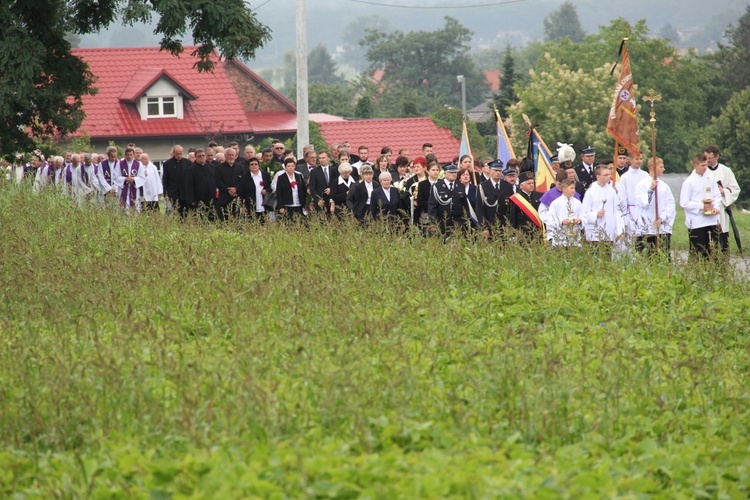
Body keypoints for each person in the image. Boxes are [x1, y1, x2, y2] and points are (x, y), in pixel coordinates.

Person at [680, 153, 721, 260]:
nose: (705, 168)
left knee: (713, 251)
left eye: (706, 165)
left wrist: (716, 207)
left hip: (711, 220)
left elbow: (716, 195)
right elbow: (684, 202)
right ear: (695, 165)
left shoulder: (710, 179)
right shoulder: (689, 182)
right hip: (697, 221)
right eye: (702, 166)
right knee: (699, 251)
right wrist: (702, 206)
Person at [634, 157, 675, 256]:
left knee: (663, 256)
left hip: (661, 227)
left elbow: (670, 204)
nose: (663, 169)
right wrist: (651, 189)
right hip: (647, 229)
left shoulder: (664, 186)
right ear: (653, 167)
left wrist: (661, 219)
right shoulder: (641, 185)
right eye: (661, 167)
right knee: (649, 255)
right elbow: (644, 203)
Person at [704, 145, 741, 255]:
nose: (707, 161)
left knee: (721, 238)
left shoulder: (726, 171)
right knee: (707, 238)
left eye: (710, 158)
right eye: (706, 157)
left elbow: (735, 189)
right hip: (707, 207)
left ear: (717, 157)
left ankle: (722, 263)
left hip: (721, 208)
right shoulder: (703, 170)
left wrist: (723, 191)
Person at [580, 164, 625, 254]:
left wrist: (620, 230)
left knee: (607, 257)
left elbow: (617, 211)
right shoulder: (590, 192)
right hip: (594, 232)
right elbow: (584, 214)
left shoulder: (612, 191)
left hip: (608, 230)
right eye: (605, 175)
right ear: (598, 176)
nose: (608, 177)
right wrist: (595, 214)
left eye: (609, 174)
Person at [428, 163, 471, 238]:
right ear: (445, 173)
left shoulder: (460, 186)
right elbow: (432, 206)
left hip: (458, 222)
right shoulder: (437, 186)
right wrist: (433, 223)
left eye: (455, 172)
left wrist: (466, 221)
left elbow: (465, 206)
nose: (454, 174)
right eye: (451, 172)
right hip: (442, 222)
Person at [546, 178, 583, 247]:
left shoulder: (577, 203)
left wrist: (579, 220)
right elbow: (550, 220)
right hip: (560, 239)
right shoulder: (556, 203)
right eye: (571, 188)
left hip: (575, 239)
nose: (574, 190)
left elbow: (583, 215)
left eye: (574, 188)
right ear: (564, 189)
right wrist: (561, 222)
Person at [507, 170, 543, 237]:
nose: (531, 185)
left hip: (538, 231)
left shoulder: (540, 196)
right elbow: (512, 218)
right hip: (523, 233)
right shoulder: (516, 199)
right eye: (528, 184)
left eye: (532, 183)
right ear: (521, 185)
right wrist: (513, 234)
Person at [184, 149, 217, 220]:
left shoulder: (212, 167)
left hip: (211, 198)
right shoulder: (191, 170)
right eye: (199, 156)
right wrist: (191, 200)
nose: (202, 157)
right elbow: (189, 186)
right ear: (195, 157)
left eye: (203, 155)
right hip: (198, 199)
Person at [475, 160, 505, 239]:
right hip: (489, 225)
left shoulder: (507, 186)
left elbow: (511, 208)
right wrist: (483, 227)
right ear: (490, 171)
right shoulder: (482, 187)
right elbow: (479, 208)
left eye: (500, 170)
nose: (498, 172)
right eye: (495, 170)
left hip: (504, 226)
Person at [237, 156, 271, 222]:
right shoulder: (245, 177)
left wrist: (266, 190)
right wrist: (242, 205)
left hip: (264, 204)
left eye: (256, 164)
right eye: (251, 164)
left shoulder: (266, 175)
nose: (254, 166)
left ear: (259, 165)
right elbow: (241, 191)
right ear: (249, 166)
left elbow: (270, 187)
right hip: (251, 205)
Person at [215, 146, 243, 221]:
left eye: (232, 155)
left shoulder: (240, 167)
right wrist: (228, 189)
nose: (231, 157)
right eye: (229, 155)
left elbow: (243, 181)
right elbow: (217, 181)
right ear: (225, 156)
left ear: (235, 156)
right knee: (224, 219)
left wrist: (236, 189)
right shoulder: (218, 168)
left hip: (237, 197)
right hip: (224, 198)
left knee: (237, 219)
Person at [162, 145, 191, 217]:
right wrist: (165, 192)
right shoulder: (167, 164)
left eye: (180, 153)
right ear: (173, 153)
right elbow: (165, 179)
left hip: (185, 192)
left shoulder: (188, 163)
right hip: (173, 192)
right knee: (176, 211)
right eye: (177, 154)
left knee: (185, 212)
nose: (179, 155)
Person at [415, 160, 441, 228]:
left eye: (437, 170)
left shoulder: (442, 183)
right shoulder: (422, 184)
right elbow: (420, 201)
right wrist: (432, 205)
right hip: (426, 213)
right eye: (433, 170)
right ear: (428, 171)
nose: (435, 172)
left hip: (440, 214)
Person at [309, 150, 335, 214]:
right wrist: (318, 199)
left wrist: (331, 189)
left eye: (323, 158)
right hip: (320, 201)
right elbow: (312, 188)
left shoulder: (334, 170)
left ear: (329, 158)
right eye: (320, 158)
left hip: (332, 201)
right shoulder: (314, 172)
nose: (321, 160)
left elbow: (336, 184)